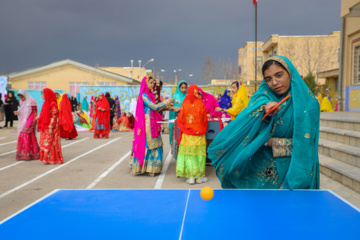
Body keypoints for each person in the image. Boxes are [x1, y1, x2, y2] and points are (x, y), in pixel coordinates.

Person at [207, 56, 320, 190]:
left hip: (294, 170)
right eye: (268, 79)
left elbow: (306, 145)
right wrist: (264, 109)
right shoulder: (261, 99)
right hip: (260, 170)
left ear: (290, 73)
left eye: (279, 75)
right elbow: (248, 128)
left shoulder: (309, 105)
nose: (274, 82)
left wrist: (270, 142)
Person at [132, 76, 174, 176]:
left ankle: (152, 168)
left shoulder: (150, 94)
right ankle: (145, 168)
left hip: (153, 122)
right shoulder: (143, 96)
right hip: (146, 123)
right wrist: (167, 101)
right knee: (148, 144)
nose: (152, 85)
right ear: (145, 84)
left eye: (152, 83)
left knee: (156, 143)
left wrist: (160, 117)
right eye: (150, 83)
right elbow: (154, 107)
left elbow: (153, 111)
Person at [176, 85, 208, 185]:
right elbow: (204, 119)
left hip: (188, 135)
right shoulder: (201, 104)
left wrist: (186, 126)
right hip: (199, 135)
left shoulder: (184, 104)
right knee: (199, 155)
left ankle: (190, 177)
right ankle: (199, 176)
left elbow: (180, 119)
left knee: (190, 156)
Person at [38, 88, 64, 165]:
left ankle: (51, 159)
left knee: (51, 142)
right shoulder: (46, 103)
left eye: (43, 94)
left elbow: (54, 116)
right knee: (45, 142)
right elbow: (44, 114)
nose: (42, 96)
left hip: (51, 127)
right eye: (42, 95)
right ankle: (46, 158)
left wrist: (50, 127)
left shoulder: (53, 104)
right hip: (45, 126)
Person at [14, 90, 40, 161]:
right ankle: (25, 153)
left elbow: (34, 113)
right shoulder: (21, 102)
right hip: (23, 121)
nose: (21, 99)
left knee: (26, 135)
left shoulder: (32, 102)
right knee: (22, 136)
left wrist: (32, 123)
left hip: (30, 120)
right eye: (20, 97)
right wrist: (18, 112)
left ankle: (30, 154)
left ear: (25, 95)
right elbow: (22, 112)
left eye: (22, 97)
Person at [169, 80, 188, 145]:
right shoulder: (175, 96)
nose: (184, 89)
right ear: (179, 88)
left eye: (185, 87)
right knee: (174, 133)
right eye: (182, 88)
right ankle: (173, 146)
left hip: (185, 118)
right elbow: (171, 106)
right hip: (175, 116)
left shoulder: (187, 96)